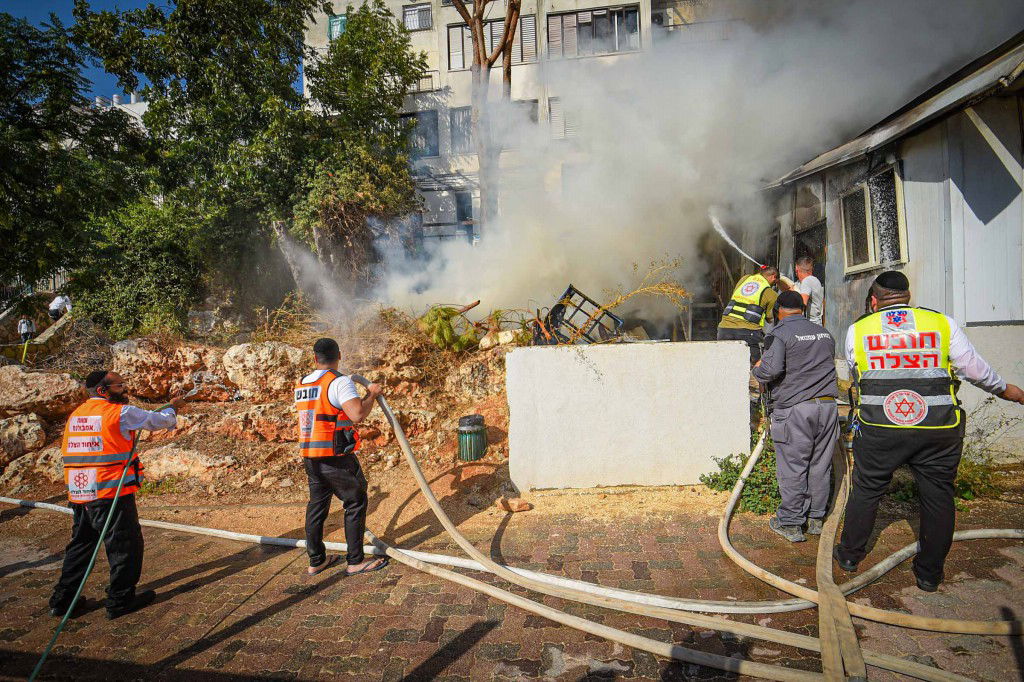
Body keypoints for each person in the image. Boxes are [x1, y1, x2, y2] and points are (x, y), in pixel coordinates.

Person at [835, 271, 1024, 591]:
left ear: (873, 301)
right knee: (938, 496)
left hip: (881, 427)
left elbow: (856, 373)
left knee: (867, 488)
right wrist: (1008, 390)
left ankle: (850, 556)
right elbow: (974, 369)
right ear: (908, 297)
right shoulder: (941, 323)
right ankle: (928, 574)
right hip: (938, 428)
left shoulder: (858, 330)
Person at [50, 371, 184, 620]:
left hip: (81, 493)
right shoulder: (119, 413)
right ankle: (120, 600)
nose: (124, 389)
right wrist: (174, 408)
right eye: (119, 385)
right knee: (125, 546)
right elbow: (159, 421)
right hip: (110, 493)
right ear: (103, 391)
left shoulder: (76, 415)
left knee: (81, 546)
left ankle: (62, 601)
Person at [295, 338, 388, 576]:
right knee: (355, 502)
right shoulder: (339, 382)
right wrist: (373, 394)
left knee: (317, 506)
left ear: (315, 358)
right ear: (339, 355)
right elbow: (357, 414)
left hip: (310, 456)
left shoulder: (303, 383)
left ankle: (316, 560)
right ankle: (355, 561)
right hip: (335, 456)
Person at [752, 290, 839, 542]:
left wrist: (757, 369)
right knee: (820, 466)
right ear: (801, 309)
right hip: (827, 407)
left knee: (793, 466)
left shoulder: (780, 333)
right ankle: (814, 519)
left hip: (796, 410)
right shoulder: (824, 333)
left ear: (778, 310)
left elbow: (771, 370)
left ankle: (790, 523)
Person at [717, 265, 780, 364]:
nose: (774, 285)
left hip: (724, 328)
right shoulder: (771, 293)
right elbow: (770, 318)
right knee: (753, 367)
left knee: (725, 364)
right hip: (748, 331)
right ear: (773, 277)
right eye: (775, 282)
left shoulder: (744, 279)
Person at [793, 256, 825, 326]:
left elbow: (802, 303)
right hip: (814, 324)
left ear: (797, 269)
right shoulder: (807, 281)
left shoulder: (807, 281)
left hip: (810, 324)